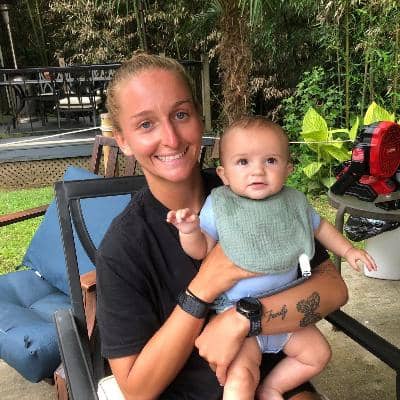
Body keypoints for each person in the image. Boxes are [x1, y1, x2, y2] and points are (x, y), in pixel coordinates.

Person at [96, 52, 349, 400]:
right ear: (122, 140)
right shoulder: (123, 248)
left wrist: (244, 319)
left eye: (181, 115)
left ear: (200, 119)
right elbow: (137, 389)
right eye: (145, 124)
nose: (171, 138)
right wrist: (203, 288)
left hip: (274, 377)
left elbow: (334, 289)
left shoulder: (256, 190)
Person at [167, 116, 377, 400]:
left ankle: (272, 388)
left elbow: (321, 228)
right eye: (243, 162)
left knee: (318, 354)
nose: (258, 171)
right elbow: (201, 249)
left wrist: (349, 250)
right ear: (224, 174)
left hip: (283, 313)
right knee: (241, 377)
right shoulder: (221, 205)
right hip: (236, 313)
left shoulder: (293, 202)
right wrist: (190, 231)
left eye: (270, 161)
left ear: (288, 169)